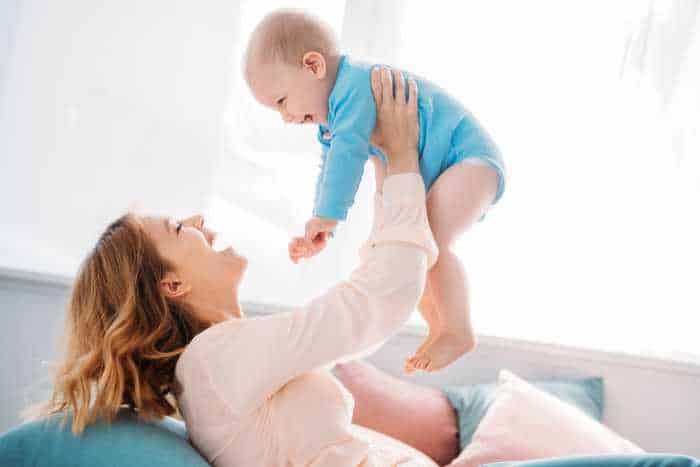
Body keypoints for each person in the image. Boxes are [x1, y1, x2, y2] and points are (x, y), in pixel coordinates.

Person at [25, 66, 440, 466]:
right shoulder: (214, 362)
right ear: (171, 284)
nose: (198, 221)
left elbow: (359, 315)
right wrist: (401, 158)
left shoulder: (219, 364)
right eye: (176, 226)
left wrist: (388, 167)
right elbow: (375, 303)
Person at [243, 8, 507, 374]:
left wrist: (327, 215)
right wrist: (323, 222)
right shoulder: (337, 111)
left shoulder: (353, 89)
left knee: (427, 241)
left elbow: (346, 157)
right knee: (416, 251)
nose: (285, 117)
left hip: (470, 160)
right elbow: (332, 161)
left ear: (313, 66)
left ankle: (458, 328)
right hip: (450, 166)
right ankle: (440, 325)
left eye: (282, 101)